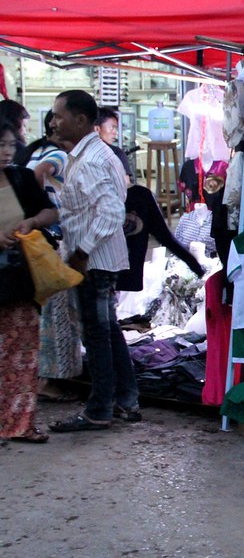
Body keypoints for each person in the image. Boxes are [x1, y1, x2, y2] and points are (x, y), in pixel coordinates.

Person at [48, 90, 140, 433]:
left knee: (98, 333)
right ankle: (125, 399)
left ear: (81, 120)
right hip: (96, 259)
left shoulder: (93, 159)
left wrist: (81, 252)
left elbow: (111, 213)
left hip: (94, 262)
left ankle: (99, 408)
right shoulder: (86, 156)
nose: (54, 122)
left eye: (59, 116)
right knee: (107, 330)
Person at [0, 119, 59, 443]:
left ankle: (19, 424)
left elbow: (51, 212)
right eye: (1, 145)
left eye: (11, 145)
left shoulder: (21, 177)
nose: (8, 152)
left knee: (21, 355)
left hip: (17, 281)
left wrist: (32, 221)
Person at [21, 111, 82, 402]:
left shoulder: (35, 151)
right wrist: (39, 209)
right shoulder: (56, 155)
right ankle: (48, 381)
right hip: (51, 240)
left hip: (33, 242)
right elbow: (37, 176)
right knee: (57, 316)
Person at [95, 106, 134, 185]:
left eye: (116, 129)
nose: (115, 133)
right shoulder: (116, 153)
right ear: (97, 129)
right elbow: (126, 185)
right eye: (112, 127)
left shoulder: (76, 151)